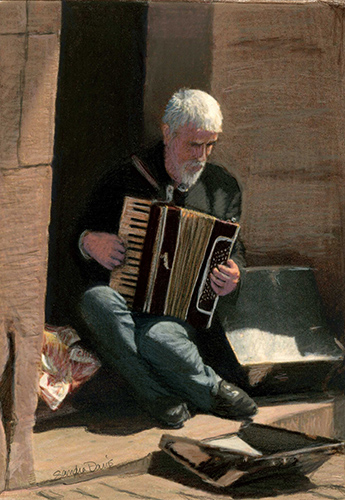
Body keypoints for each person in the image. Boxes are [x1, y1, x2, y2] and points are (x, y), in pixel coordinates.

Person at [75, 89, 257, 428]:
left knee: (159, 339)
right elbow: (79, 235)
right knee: (95, 301)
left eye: (210, 145)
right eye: (193, 145)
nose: (202, 156)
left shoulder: (223, 186)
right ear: (167, 134)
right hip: (126, 306)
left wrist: (236, 273)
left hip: (182, 314)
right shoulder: (125, 178)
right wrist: (90, 242)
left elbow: (236, 250)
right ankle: (184, 393)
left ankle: (173, 394)